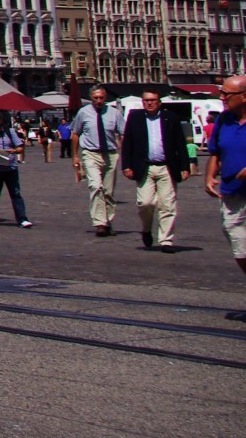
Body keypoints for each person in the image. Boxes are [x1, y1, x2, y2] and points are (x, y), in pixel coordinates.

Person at [121, 90, 191, 251]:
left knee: (168, 204)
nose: (150, 103)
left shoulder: (171, 118)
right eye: (146, 100)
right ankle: (146, 229)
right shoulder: (135, 117)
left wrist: (185, 166)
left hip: (167, 166)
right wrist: (126, 165)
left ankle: (166, 240)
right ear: (142, 102)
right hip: (144, 166)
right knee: (145, 203)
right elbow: (128, 143)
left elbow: (180, 143)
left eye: (153, 100)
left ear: (159, 102)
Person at [202, 74, 246, 320]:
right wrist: (209, 176)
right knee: (239, 246)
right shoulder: (224, 120)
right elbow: (215, 152)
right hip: (231, 193)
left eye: (227, 94)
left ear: (244, 96)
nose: (222, 98)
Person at [71, 86, 125, 237]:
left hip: (110, 154)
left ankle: (108, 221)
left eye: (101, 98)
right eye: (96, 98)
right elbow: (75, 133)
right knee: (95, 186)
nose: (99, 101)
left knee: (108, 191)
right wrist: (75, 155)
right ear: (91, 98)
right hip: (91, 153)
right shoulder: (83, 112)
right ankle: (99, 223)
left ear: (105, 98)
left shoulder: (114, 113)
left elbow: (123, 132)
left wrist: (125, 154)